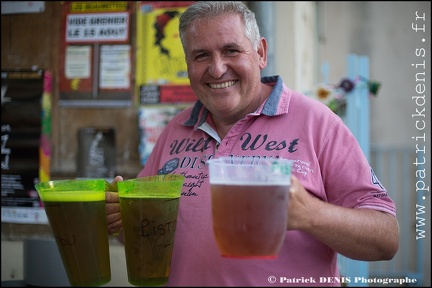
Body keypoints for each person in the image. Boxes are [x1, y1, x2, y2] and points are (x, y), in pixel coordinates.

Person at [106, 1, 399, 286]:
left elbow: (386, 239)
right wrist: (121, 217)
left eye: (231, 50)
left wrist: (311, 214)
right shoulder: (176, 128)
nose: (217, 69)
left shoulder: (315, 121)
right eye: (201, 56)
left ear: (260, 52)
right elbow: (146, 229)